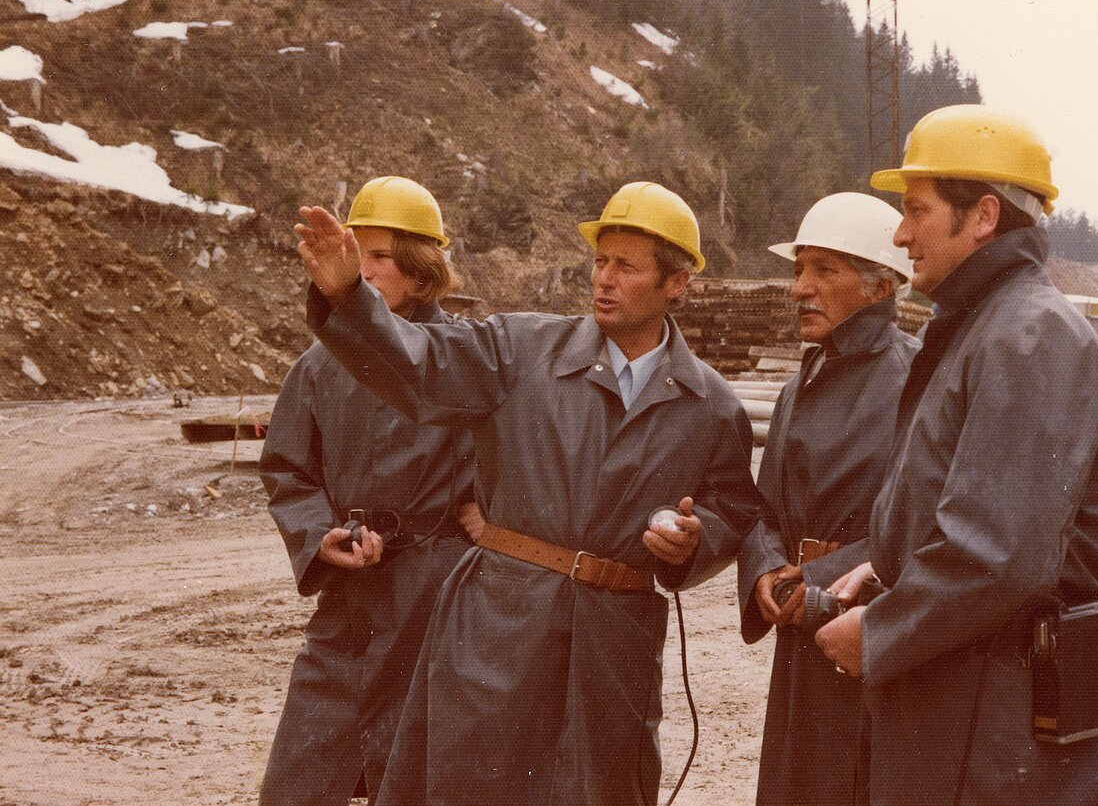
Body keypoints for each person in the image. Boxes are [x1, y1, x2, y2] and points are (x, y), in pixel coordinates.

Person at [293, 180, 762, 806]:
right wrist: (350, 294)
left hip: (613, 636)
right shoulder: (519, 349)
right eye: (601, 261)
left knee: (601, 788)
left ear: (676, 284)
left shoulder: (713, 406)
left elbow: (732, 508)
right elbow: (418, 363)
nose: (604, 279)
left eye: (627, 267)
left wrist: (693, 541)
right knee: (477, 783)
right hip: (501, 620)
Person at [815, 105, 1098, 805]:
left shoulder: (1028, 336)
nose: (899, 234)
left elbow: (998, 550)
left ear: (983, 216)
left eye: (915, 211)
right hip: (965, 696)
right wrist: (887, 558)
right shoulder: (986, 328)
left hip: (993, 717)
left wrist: (880, 630)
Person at [257, 176, 484, 806]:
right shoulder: (318, 364)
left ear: (419, 273)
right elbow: (287, 469)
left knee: (417, 778)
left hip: (437, 597)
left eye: (380, 257)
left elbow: (522, 452)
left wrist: (483, 507)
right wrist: (317, 536)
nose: (363, 268)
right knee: (299, 780)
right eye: (358, 252)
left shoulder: (465, 353)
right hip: (351, 600)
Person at [736, 192, 918, 806]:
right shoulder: (798, 384)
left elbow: (923, 525)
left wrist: (817, 577)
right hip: (798, 621)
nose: (799, 289)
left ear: (880, 286)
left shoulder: (919, 383)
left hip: (868, 626)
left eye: (824, 271)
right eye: (798, 269)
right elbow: (763, 507)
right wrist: (764, 568)